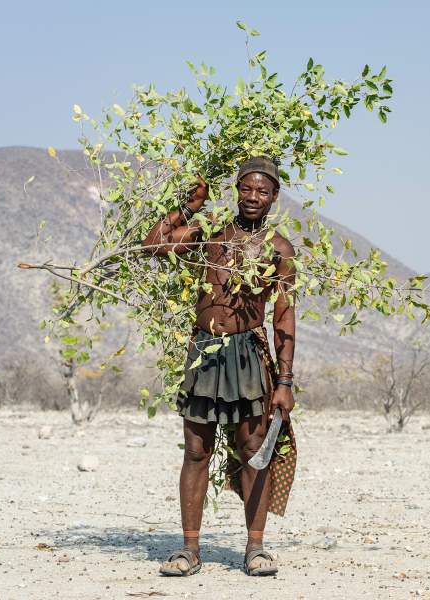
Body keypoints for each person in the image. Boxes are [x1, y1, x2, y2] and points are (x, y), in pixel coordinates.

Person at [142, 156, 296, 577]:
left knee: (253, 450)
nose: (253, 197)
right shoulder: (209, 234)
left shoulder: (279, 249)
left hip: (248, 353)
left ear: (274, 197)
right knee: (196, 449)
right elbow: (153, 245)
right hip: (205, 349)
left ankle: (256, 548)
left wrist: (285, 381)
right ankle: (189, 549)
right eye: (246, 188)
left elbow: (284, 317)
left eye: (262, 191)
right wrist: (189, 205)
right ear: (236, 190)